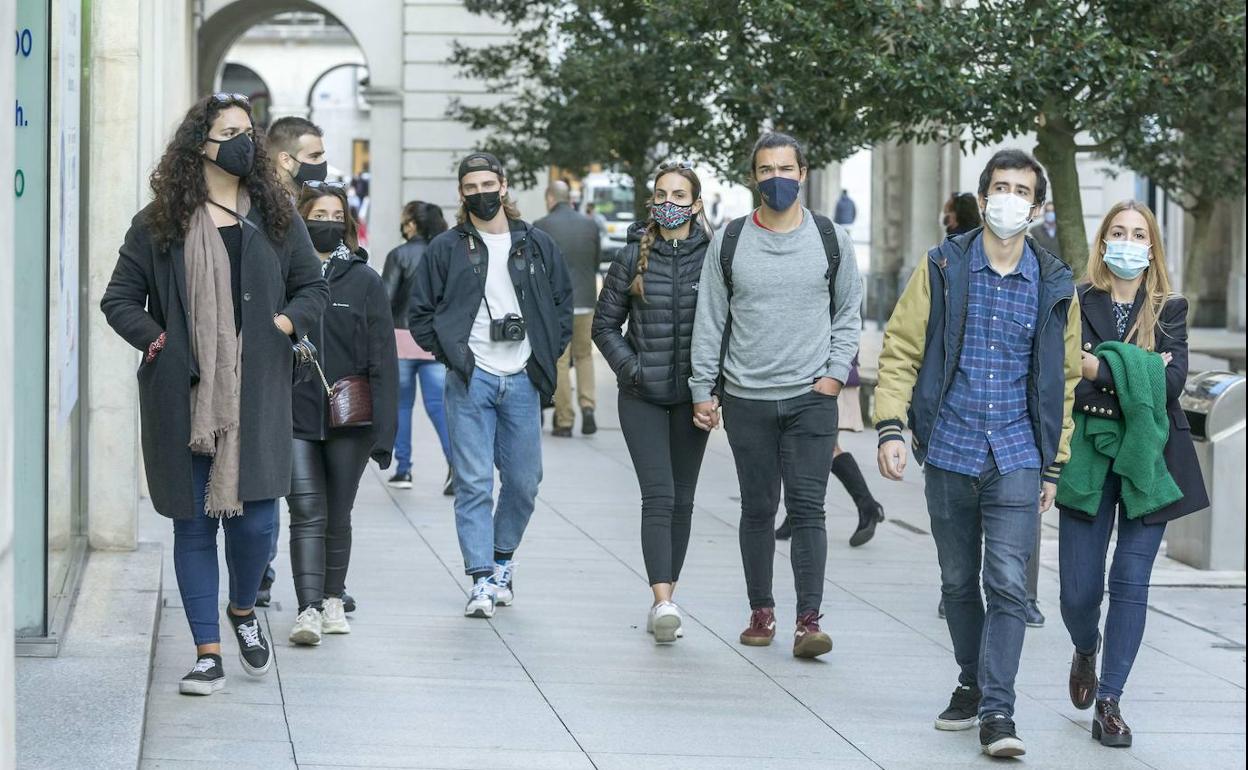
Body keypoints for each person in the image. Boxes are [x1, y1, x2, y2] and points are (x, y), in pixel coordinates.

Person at [100, 93, 328, 694]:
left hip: (257, 397)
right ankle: (206, 650)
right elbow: (119, 300)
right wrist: (159, 343)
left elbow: (312, 288)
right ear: (198, 144)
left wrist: (282, 324)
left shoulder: (278, 218)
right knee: (194, 527)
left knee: (255, 525)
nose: (244, 142)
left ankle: (244, 610)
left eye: (247, 132)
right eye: (230, 131)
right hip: (183, 399)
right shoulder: (158, 224)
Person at [873, 148, 1080, 758]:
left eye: (1021, 190)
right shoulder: (941, 266)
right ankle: (970, 680)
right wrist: (889, 425)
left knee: (1009, 583)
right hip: (951, 446)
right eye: (999, 187)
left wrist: (1054, 461)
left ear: (1037, 207)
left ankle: (998, 711)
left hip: (1017, 452)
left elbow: (1064, 379)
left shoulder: (1053, 282)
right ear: (983, 195)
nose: (1009, 198)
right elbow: (902, 347)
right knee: (959, 581)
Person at [689, 132, 862, 659]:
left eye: (785, 169)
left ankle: (808, 622)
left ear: (802, 173)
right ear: (754, 177)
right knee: (759, 508)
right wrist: (703, 387)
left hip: (811, 397)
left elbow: (847, 313)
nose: (776, 179)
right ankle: (761, 611)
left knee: (809, 509)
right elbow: (710, 318)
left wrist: (833, 377)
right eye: (766, 170)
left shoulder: (831, 238)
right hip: (747, 398)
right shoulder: (731, 239)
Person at [1056, 201, 1207, 748]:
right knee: (1078, 592)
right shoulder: (1076, 300)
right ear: (1102, 242)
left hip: (1152, 462)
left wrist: (1104, 365)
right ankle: (1084, 647)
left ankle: (1110, 700)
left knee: (1131, 582)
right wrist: (1139, 368)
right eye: (1117, 231)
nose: (1127, 240)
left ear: (1152, 245)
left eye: (1137, 233)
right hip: (1089, 460)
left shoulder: (1170, 309)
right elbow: (1068, 374)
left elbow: (1171, 389)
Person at [409, 152, 573, 619]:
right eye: (470, 186)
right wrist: (453, 356)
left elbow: (563, 306)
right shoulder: (446, 247)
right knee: (474, 483)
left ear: (503, 186)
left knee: (524, 482)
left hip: (523, 378)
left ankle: (503, 560)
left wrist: (545, 352)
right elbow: (420, 312)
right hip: (471, 378)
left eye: (488, 183)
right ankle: (481, 578)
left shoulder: (538, 244)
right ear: (461, 194)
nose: (480, 192)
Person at [593, 161, 711, 644]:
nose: (670, 202)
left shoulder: (716, 256)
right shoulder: (630, 257)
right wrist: (633, 368)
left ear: (696, 204)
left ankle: (668, 597)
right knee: (658, 496)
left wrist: (714, 386)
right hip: (641, 396)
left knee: (682, 501)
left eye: (679, 195)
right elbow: (604, 326)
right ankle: (663, 601)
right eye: (662, 194)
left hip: (693, 401)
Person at [286, 182, 397, 646]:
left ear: (346, 223)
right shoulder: (280, 274)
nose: (326, 223)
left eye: (335, 215)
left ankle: (333, 598)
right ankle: (308, 608)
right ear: (300, 219)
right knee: (306, 510)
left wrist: (385, 435)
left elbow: (383, 360)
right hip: (293, 412)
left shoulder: (365, 281)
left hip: (349, 418)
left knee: (337, 513)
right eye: (318, 214)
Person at [255, 116, 329, 608]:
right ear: (287, 159)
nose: (323, 167)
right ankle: (257, 572)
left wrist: (286, 324)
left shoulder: (302, 208)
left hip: (286, 354)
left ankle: (264, 571)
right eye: (316, 158)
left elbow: (311, 285)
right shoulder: (261, 206)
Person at [775, 355, 886, 547]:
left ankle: (867, 506)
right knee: (812, 447)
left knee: (823, 447)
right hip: (823, 375)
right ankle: (867, 506)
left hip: (828, 378)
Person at [383, 201, 454, 494]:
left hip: (401, 339)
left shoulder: (399, 255)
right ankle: (458, 465)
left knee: (401, 406)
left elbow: (385, 298)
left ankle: (404, 469)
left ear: (411, 224)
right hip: (434, 342)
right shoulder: (446, 254)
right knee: (439, 408)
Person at [535, 181, 602, 437]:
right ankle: (588, 406)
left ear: (551, 198)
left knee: (560, 360)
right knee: (584, 356)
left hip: (556, 305)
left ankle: (564, 420)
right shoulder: (590, 224)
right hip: (586, 300)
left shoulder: (542, 226)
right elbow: (596, 263)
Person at [269, 116, 328, 198]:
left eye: (321, 156)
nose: (322, 162)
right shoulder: (263, 205)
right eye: (314, 156)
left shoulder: (306, 203)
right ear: (286, 160)